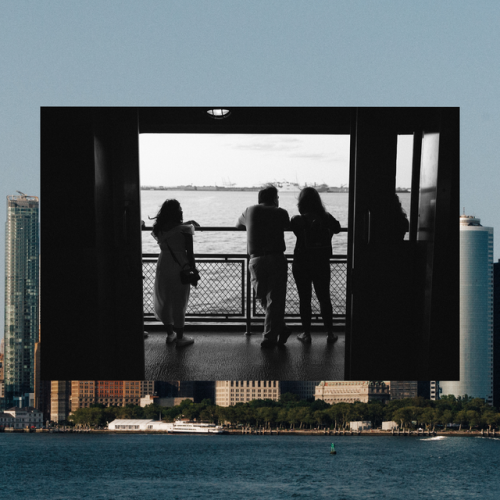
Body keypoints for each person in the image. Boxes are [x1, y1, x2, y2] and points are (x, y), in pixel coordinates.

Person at [236, 185, 291, 348]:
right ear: (275, 198)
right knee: (275, 299)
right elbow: (287, 226)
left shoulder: (249, 210)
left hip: (256, 260)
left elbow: (237, 225)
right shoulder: (281, 212)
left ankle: (269, 337)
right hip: (276, 258)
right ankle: (281, 329)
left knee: (262, 296)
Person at [291, 187, 341, 344]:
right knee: (324, 298)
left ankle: (306, 333)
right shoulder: (326, 217)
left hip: (302, 263)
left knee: (304, 299)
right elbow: (338, 228)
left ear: (301, 202)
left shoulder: (298, 220)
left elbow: (293, 227)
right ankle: (330, 333)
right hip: (321, 263)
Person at [150, 199, 199, 347]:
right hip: (180, 267)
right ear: (177, 212)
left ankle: (169, 334)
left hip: (163, 263)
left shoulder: (158, 229)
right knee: (179, 300)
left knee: (164, 298)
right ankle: (180, 337)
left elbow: (171, 230)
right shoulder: (185, 230)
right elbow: (190, 254)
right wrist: (194, 271)